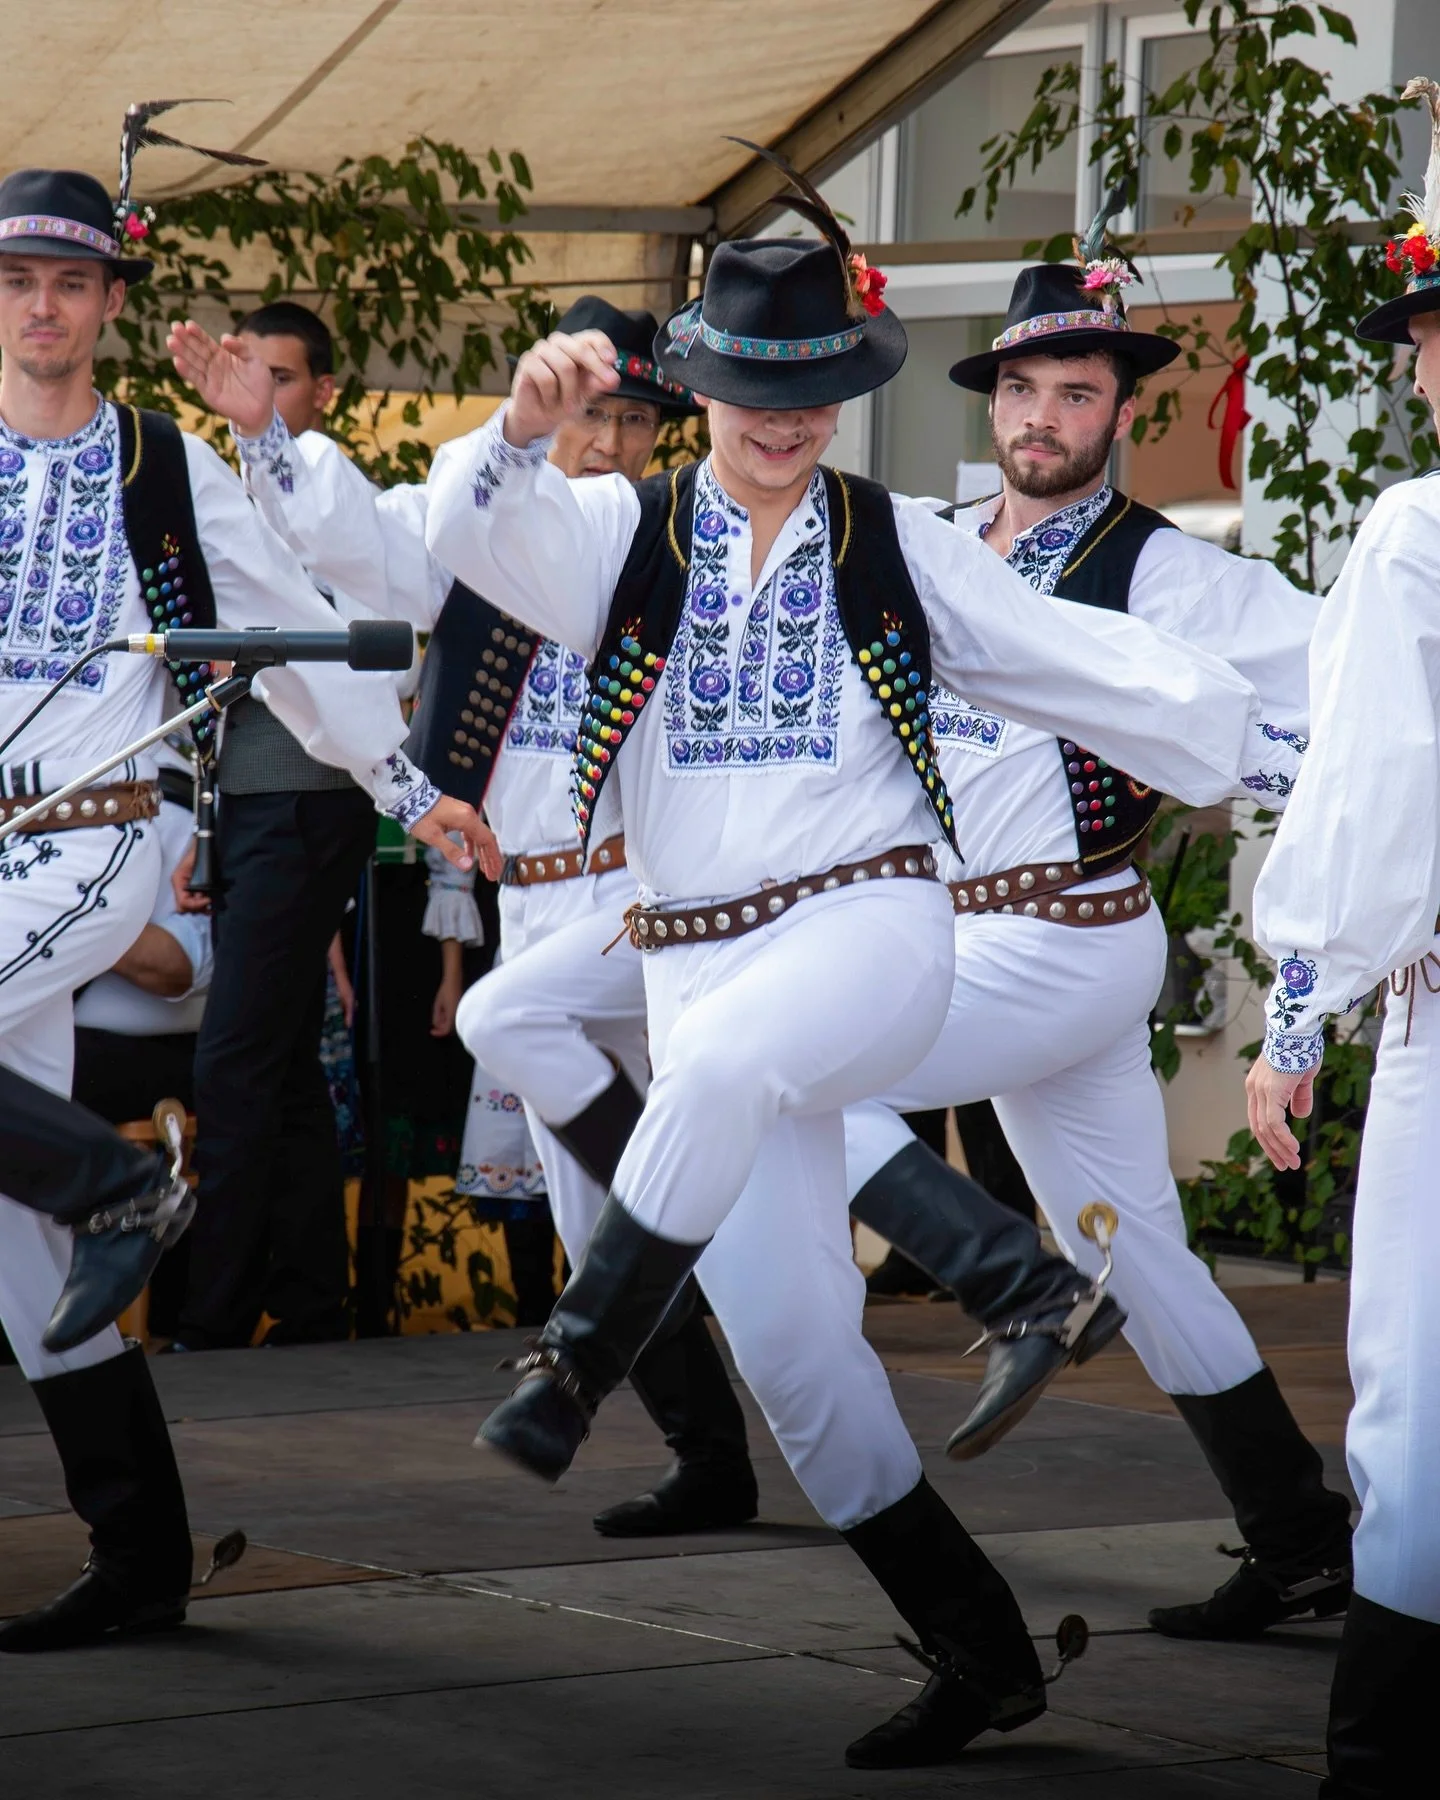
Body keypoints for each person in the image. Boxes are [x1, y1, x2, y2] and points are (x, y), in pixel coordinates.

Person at [421, 176, 1289, 1767]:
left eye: (815, 384)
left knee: (731, 1067)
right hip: (734, 955)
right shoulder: (655, 536)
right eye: (756, 384)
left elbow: (1105, 663)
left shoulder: (929, 545)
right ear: (700, 387)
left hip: (910, 931)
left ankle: (586, 1357)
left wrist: (1273, 748)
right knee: (819, 1359)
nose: (785, 415)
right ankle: (1001, 1644)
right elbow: (472, 544)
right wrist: (519, 433)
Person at [0, 142, 489, 1655]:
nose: (40, 308)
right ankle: (142, 1555)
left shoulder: (163, 463)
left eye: (68, 283)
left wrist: (406, 788)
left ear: (111, 303)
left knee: (54, 1213)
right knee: (23, 1268)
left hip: (99, 832)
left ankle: (123, 1186)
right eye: (15, 281)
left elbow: (290, 633)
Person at [169, 294, 762, 1539]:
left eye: (635, 422)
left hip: (651, 898)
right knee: (596, 1210)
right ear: (544, 408)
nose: (610, 443)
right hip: (532, 898)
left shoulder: (683, 543)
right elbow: (352, 544)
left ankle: (755, 1387)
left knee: (673, 1179)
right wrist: (268, 437)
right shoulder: (472, 533)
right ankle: (711, 1453)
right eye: (592, 414)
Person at [836, 221, 1351, 1642]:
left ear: (1122, 413)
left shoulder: (1173, 576)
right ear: (991, 404)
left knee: (802, 1079)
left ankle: (1015, 1290)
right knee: (1139, 1253)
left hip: (1061, 937)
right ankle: (1302, 1539)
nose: (1043, 417)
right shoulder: (939, 546)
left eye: (1077, 393)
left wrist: (1265, 774)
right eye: (1023, 390)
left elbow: (1353, 685)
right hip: (975, 943)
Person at [1244, 75, 1440, 1799]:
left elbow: (1378, 797)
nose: (1421, 372)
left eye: (1427, 341)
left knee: (1418, 1393)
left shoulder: (1416, 531)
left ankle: (1385, 1760)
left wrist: (1297, 1011)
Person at [172, 299, 406, 1353]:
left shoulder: (333, 489)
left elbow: (351, 627)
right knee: (281, 1060)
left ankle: (211, 1318)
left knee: (232, 1059)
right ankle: (312, 1306)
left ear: (321, 392)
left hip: (311, 793)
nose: (256, 393)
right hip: (251, 798)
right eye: (245, 371)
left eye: (281, 377)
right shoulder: (222, 488)